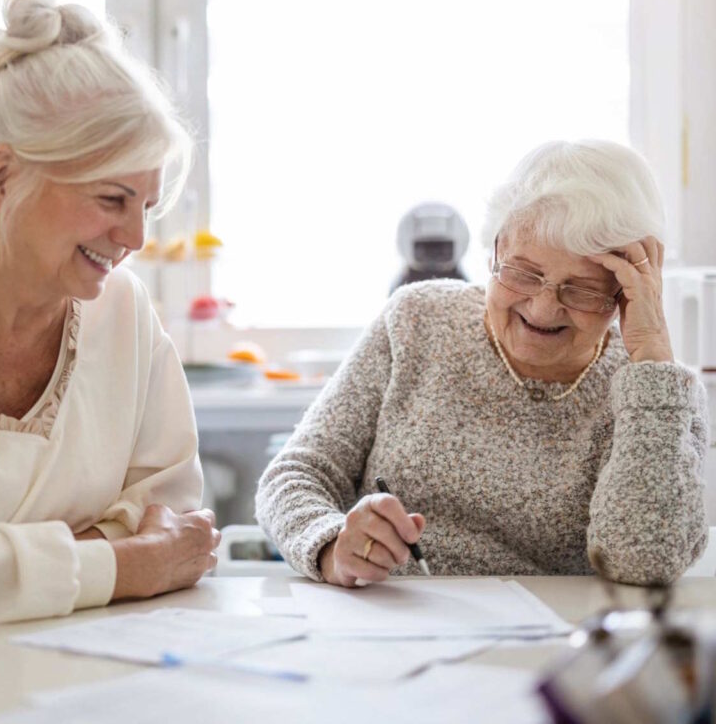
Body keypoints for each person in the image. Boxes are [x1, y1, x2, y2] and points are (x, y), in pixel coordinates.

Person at [256, 139, 709, 588]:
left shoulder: (657, 394)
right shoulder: (417, 319)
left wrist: (650, 357)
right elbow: (297, 474)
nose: (543, 308)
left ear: (623, 294)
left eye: (582, 289)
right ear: (494, 249)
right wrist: (332, 546)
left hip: (554, 641)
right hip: (390, 623)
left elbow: (644, 563)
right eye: (523, 273)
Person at [0, 0, 219, 640]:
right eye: (111, 198)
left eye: (147, 207)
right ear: (4, 177)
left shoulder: (124, 312)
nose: (135, 239)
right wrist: (127, 563)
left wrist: (5, 568)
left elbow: (174, 514)